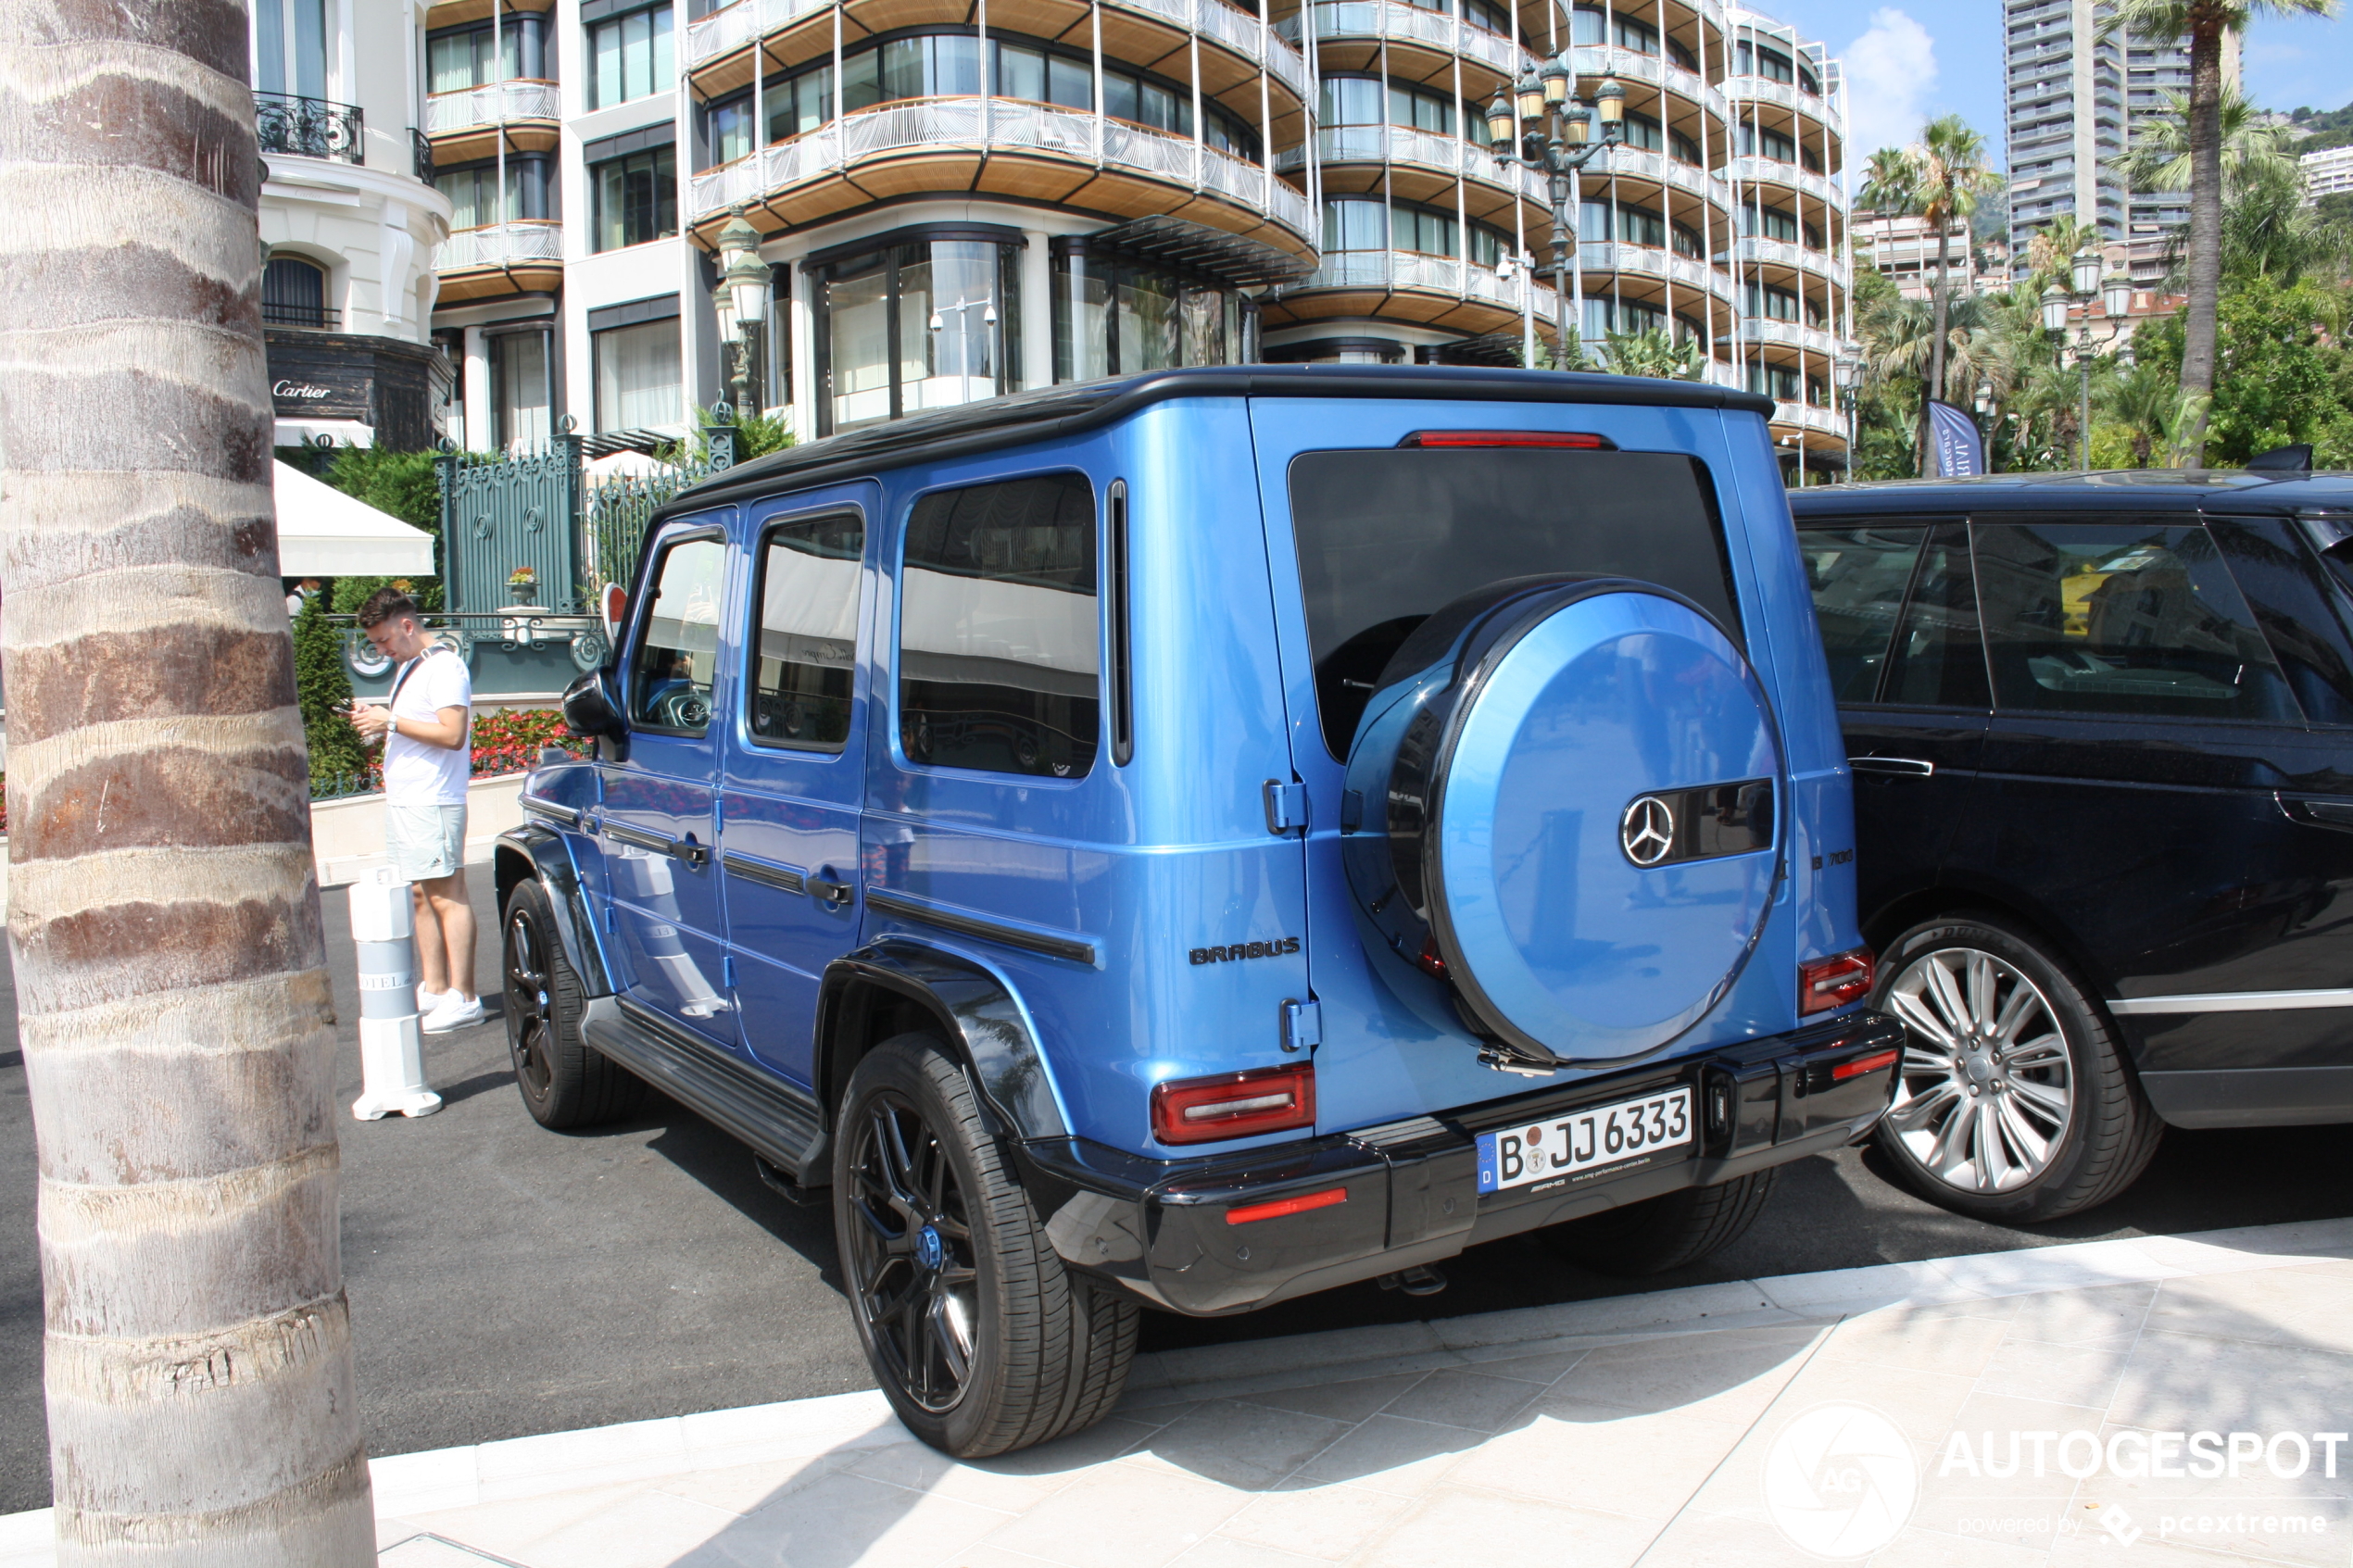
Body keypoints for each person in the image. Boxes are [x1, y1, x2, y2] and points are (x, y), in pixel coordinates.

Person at [349, 588, 484, 1033]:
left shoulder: (444, 666)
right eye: (375, 644)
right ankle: (436, 986)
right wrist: (383, 720)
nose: (381, 650)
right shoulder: (412, 666)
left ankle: (464, 996)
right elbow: (419, 727)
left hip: (433, 798)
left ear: (407, 626)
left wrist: (388, 719)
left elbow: (452, 734)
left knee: (448, 894)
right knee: (422, 894)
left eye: (384, 640)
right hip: (412, 798)